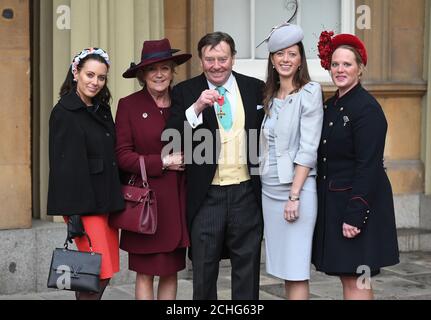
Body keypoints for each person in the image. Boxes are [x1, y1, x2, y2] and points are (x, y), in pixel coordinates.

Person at [165, 32, 265, 300]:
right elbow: (172, 137)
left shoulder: (255, 87)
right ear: (200, 61)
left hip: (247, 193)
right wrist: (196, 107)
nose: (216, 65)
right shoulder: (185, 91)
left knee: (247, 270)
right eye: (210, 59)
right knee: (204, 272)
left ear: (233, 58)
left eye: (222, 58)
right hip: (207, 195)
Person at [312, 31, 400, 299]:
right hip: (336, 205)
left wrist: (355, 215)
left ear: (360, 69)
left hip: (357, 205)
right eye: (335, 64)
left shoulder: (367, 109)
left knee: (357, 278)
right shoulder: (332, 105)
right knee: (347, 276)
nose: (340, 70)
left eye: (347, 64)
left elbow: (368, 166)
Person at [115, 39, 191, 300]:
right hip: (146, 202)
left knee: (171, 271)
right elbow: (123, 157)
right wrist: (163, 162)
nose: (159, 74)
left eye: (165, 68)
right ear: (142, 75)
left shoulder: (184, 102)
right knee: (145, 272)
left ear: (172, 72)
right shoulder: (129, 105)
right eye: (152, 69)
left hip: (178, 201)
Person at [47, 47, 125, 300]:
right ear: (76, 73)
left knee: (105, 270)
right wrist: (73, 214)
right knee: (94, 273)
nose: (95, 82)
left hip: (106, 203)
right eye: (90, 75)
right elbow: (63, 168)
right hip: (84, 206)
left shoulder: (101, 109)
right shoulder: (64, 112)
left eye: (101, 77)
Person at [258, 23, 323, 300]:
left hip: (295, 191)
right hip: (269, 190)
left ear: (300, 60)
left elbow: (308, 149)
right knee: (285, 270)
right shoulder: (270, 97)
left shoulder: (310, 92)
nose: (286, 59)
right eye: (280, 54)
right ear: (272, 60)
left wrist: (294, 196)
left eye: (292, 54)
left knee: (296, 270)